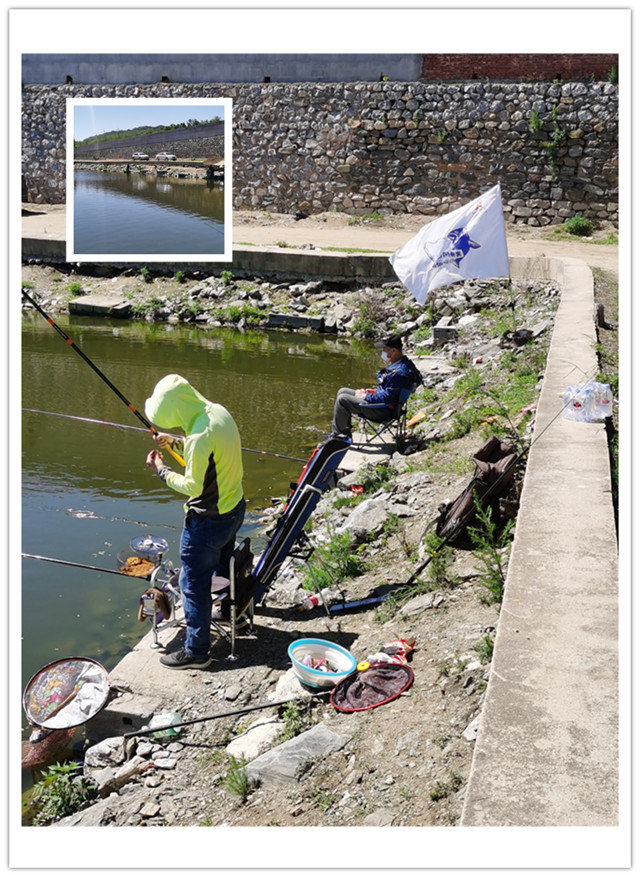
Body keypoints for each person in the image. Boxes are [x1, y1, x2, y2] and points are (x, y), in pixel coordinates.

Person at [144, 374, 245, 670]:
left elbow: (193, 486)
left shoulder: (199, 436)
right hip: (235, 510)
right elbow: (205, 448)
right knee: (222, 568)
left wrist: (160, 469)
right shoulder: (217, 412)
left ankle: (197, 652)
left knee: (193, 584)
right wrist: (174, 441)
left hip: (207, 523)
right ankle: (230, 612)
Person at [330, 334, 421, 438]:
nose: (382, 352)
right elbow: (391, 392)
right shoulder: (404, 364)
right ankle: (344, 433)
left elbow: (387, 398)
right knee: (343, 391)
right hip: (389, 405)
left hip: (383, 411)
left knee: (343, 400)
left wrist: (364, 396)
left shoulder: (399, 373)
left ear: (394, 351)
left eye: (384, 349)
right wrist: (373, 392)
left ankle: (337, 437)